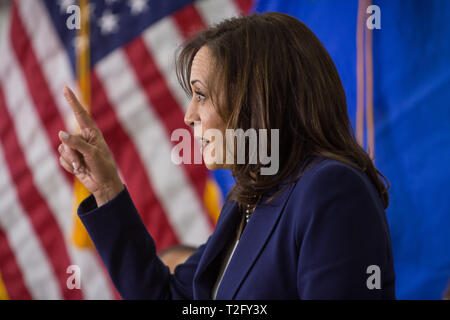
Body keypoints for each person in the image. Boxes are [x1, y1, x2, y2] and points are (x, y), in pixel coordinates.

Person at [57, 12, 395, 299]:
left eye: (201, 94)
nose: (189, 115)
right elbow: (164, 296)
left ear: (257, 100)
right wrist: (106, 188)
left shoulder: (330, 189)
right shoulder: (245, 204)